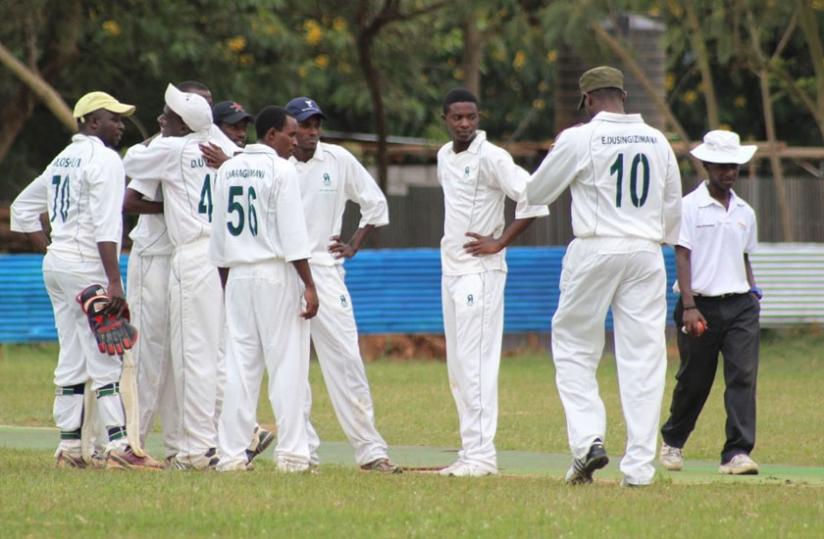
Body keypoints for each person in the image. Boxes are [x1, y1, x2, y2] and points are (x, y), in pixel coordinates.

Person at [527, 66, 682, 487]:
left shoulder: (581, 137)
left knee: (576, 347)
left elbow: (535, 193)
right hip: (647, 253)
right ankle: (639, 471)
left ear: (588, 100)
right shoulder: (658, 140)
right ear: (623, 96)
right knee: (644, 360)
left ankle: (588, 443)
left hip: (595, 247)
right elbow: (673, 215)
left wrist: (560, 148)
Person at [10, 91, 161, 469]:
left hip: (58, 265)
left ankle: (69, 449)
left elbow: (22, 210)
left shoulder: (62, 159)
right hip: (87, 267)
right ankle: (118, 448)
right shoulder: (105, 159)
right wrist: (114, 280)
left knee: (72, 356)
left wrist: (51, 249)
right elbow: (107, 225)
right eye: (115, 119)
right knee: (107, 354)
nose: (121, 126)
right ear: (92, 122)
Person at [436, 88, 549, 477]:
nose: (465, 124)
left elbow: (535, 198)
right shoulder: (443, 156)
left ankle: (482, 456)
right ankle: (471, 452)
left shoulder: (493, 157)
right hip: (450, 271)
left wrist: (500, 241)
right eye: (457, 118)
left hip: (480, 274)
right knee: (458, 368)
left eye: (471, 117)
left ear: (479, 118)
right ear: (445, 119)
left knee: (476, 365)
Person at [285, 96, 399, 473]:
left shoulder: (338, 159)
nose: (313, 131)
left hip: (324, 266)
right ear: (290, 128)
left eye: (316, 123)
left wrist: (354, 243)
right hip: (282, 270)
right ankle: (303, 454)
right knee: (292, 365)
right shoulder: (275, 163)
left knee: (346, 360)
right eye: (305, 124)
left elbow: (375, 203)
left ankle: (371, 451)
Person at [210, 105, 319, 472]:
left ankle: (229, 456)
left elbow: (219, 236)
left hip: (238, 274)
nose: (295, 140)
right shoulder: (282, 169)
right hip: (275, 273)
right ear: (271, 135)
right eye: (290, 134)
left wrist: (228, 286)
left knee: (240, 368)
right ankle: (293, 455)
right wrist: (309, 284)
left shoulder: (227, 169)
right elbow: (293, 234)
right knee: (287, 366)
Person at [122, 83, 225, 470]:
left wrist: (159, 140)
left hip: (191, 256)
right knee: (210, 354)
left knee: (189, 356)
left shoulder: (174, 148)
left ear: (182, 125)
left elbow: (131, 161)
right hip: (218, 256)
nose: (163, 118)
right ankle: (201, 443)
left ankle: (195, 449)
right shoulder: (223, 151)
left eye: (170, 115)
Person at [659, 130, 761, 475]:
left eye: (732, 166)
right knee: (695, 380)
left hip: (740, 306)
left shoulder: (746, 212)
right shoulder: (688, 207)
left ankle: (736, 452)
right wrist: (689, 306)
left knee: (743, 376)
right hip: (699, 306)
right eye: (720, 166)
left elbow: (744, 256)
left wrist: (753, 290)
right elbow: (682, 256)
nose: (728, 173)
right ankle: (673, 441)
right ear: (706, 165)